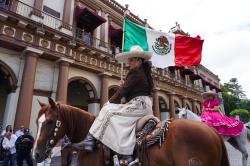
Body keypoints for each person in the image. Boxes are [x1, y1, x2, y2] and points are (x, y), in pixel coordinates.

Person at [81, 45, 154, 164]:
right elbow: (130, 91)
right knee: (117, 118)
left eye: (132, 60)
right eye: (129, 60)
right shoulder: (143, 73)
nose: (129, 62)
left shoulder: (135, 72)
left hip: (138, 105)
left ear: (139, 61)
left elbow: (123, 91)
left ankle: (93, 141)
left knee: (108, 111)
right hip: (143, 105)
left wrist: (109, 102)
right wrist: (125, 85)